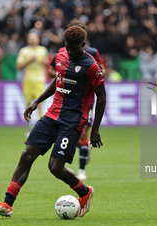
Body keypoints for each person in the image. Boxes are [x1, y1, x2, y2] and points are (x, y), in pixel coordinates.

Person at [0, 26, 106, 218]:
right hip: (52, 116)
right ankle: (7, 204)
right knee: (27, 155)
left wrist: (95, 129)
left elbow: (102, 96)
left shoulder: (91, 66)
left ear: (83, 46)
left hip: (73, 122)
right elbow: (58, 80)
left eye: (74, 48)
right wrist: (37, 102)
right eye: (67, 47)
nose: (70, 51)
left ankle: (85, 192)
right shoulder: (60, 57)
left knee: (55, 167)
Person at [48, 19, 106, 180]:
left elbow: (101, 70)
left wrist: (97, 73)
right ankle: (82, 152)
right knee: (69, 134)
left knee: (84, 133)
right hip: (64, 100)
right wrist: (65, 74)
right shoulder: (61, 52)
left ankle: (81, 170)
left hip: (84, 100)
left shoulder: (92, 53)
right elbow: (52, 71)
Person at [16, 32, 48, 137]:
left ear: (38, 39)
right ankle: (28, 126)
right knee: (28, 105)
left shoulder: (43, 50)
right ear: (28, 40)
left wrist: (44, 62)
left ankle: (39, 127)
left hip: (39, 80)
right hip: (28, 80)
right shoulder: (24, 51)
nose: (33, 40)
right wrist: (30, 60)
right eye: (31, 38)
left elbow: (47, 62)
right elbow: (19, 66)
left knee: (39, 104)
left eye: (35, 38)